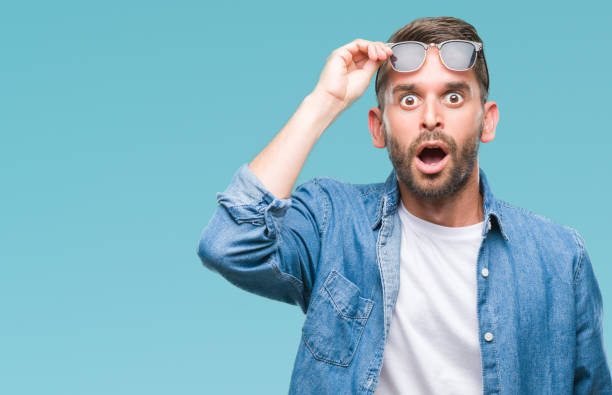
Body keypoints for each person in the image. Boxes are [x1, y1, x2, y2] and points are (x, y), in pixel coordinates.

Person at [197, 16, 612, 394]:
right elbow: (230, 243)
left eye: (453, 97)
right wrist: (325, 101)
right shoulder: (333, 221)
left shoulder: (560, 258)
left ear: (487, 121)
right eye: (409, 100)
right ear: (379, 128)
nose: (430, 117)